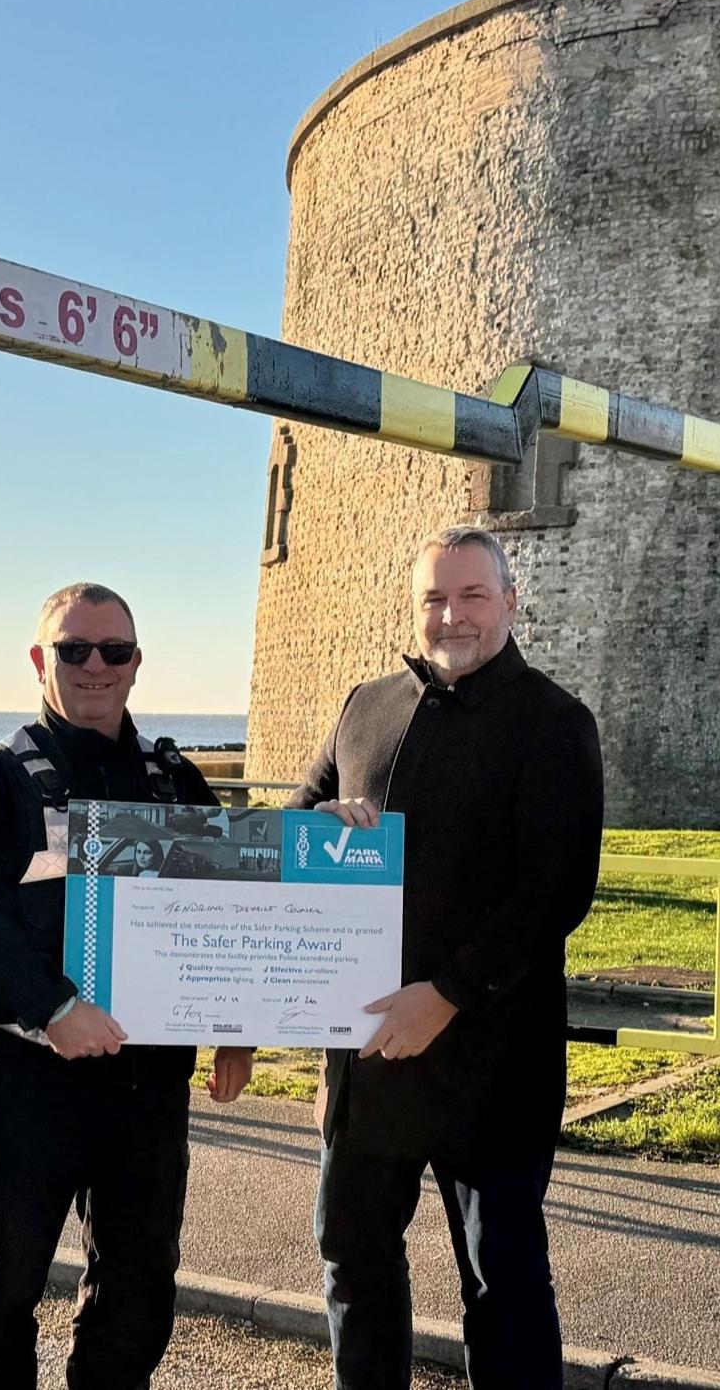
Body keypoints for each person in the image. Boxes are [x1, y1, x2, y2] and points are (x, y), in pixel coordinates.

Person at [293, 526, 604, 1390]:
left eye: (472, 596)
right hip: (367, 1056)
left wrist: (447, 994)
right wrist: (313, 832)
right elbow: (290, 828)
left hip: (494, 1064)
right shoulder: (365, 706)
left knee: (501, 1283)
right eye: (434, 597)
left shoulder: (553, 723)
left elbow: (555, 892)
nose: (451, 615)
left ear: (510, 603)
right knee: (352, 1264)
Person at [0, 582, 254, 1389]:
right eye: (73, 650)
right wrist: (53, 1010)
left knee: (137, 1297)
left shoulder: (176, 780)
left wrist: (238, 1024)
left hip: (146, 1087)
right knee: (1, 1297)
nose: (94, 665)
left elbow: (243, 900)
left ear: (136, 663)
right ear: (41, 660)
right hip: (30, 1081)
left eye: (113, 650)